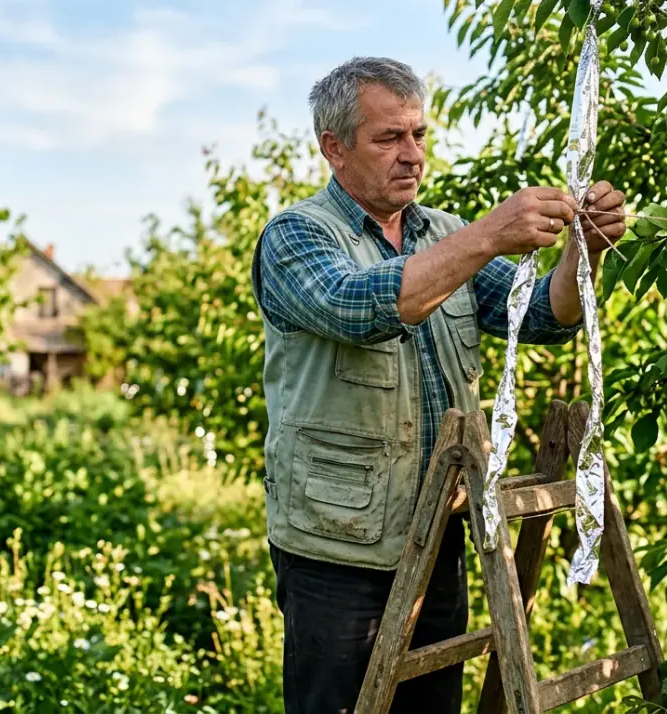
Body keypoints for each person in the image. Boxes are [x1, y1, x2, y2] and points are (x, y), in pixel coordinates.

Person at [250, 56, 627, 714]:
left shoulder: (441, 233)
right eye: (389, 138)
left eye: (419, 135)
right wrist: (489, 235)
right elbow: (356, 307)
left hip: (438, 534)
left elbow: (542, 316)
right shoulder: (297, 236)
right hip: (339, 549)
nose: (412, 155)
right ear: (334, 148)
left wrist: (584, 249)